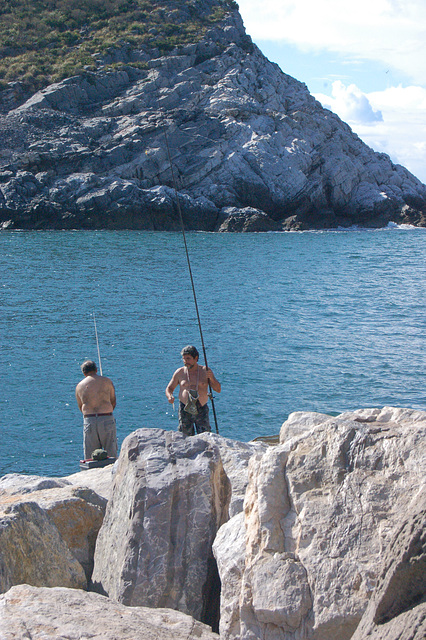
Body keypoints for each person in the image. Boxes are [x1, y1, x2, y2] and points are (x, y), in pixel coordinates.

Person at [165, 345, 221, 436]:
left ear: (196, 358)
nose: (185, 362)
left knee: (205, 435)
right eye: (184, 359)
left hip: (201, 409)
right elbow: (169, 388)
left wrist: (212, 378)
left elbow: (218, 389)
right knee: (184, 436)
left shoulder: (205, 371)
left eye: (188, 359)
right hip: (185, 408)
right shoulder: (180, 372)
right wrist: (169, 396)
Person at [75, 360, 118, 460]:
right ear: (96, 370)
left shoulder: (79, 386)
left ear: (84, 373)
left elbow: (80, 406)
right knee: (111, 452)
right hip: (106, 417)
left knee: (90, 455)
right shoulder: (107, 381)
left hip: (89, 420)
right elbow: (113, 401)